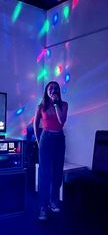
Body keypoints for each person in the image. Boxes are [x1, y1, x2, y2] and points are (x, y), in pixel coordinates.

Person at [33, 81, 68, 221]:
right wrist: (38, 140)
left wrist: (55, 104)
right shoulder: (41, 106)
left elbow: (62, 121)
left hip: (59, 139)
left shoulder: (63, 105)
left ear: (58, 91)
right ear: (46, 91)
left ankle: (54, 201)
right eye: (51, 88)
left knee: (57, 172)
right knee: (44, 173)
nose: (53, 90)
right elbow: (35, 124)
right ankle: (43, 206)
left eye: (56, 88)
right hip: (46, 138)